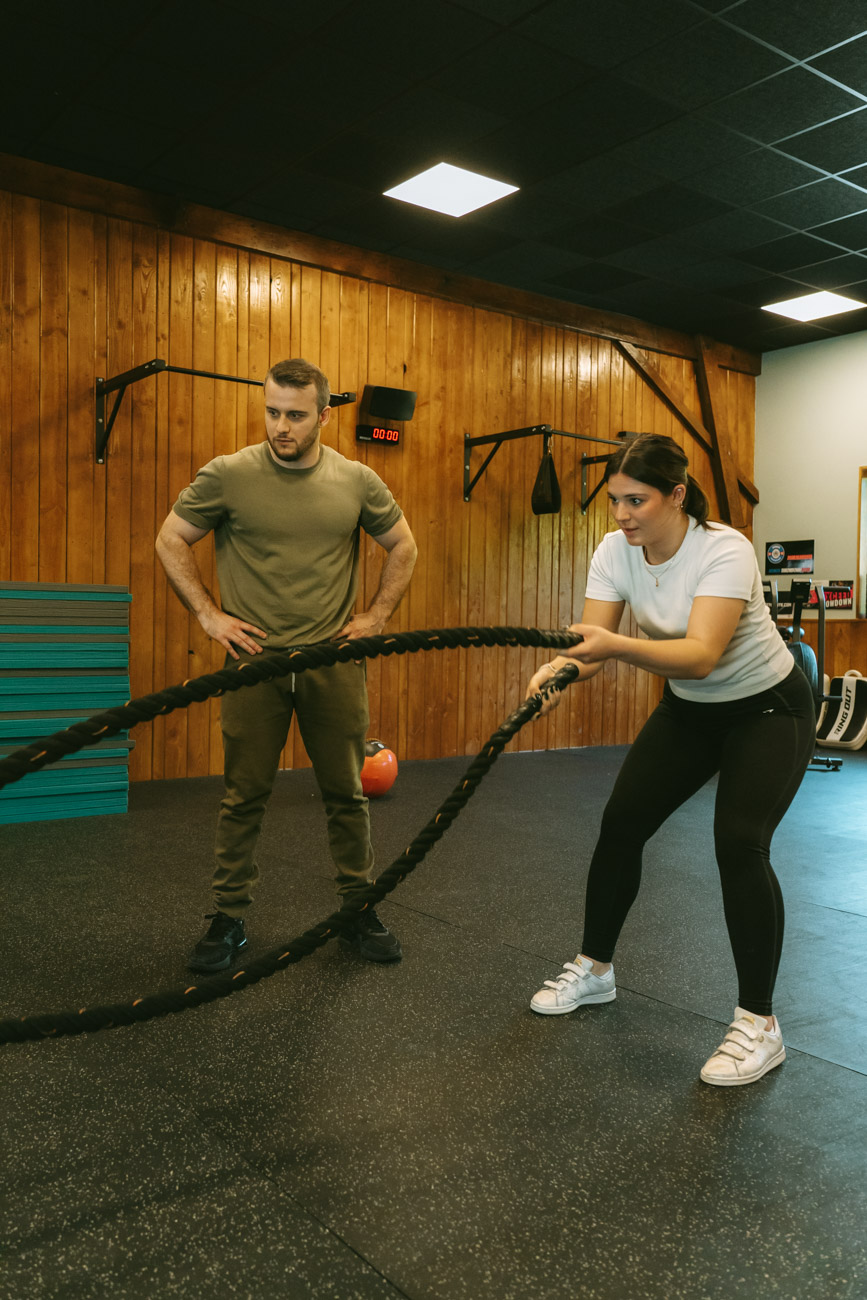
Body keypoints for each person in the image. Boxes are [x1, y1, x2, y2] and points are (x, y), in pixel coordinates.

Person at [525, 433, 814, 1087]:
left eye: (637, 500)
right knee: (621, 823)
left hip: (767, 709)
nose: (622, 514)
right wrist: (560, 671)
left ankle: (759, 1026)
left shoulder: (724, 550)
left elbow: (701, 652)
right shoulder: (613, 551)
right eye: (616, 501)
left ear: (676, 495)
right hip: (690, 711)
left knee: (739, 843)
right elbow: (592, 648)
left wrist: (611, 646)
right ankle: (595, 969)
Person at [156, 358, 417, 973]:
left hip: (333, 661)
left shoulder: (356, 480)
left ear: (324, 415)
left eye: (296, 415)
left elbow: (403, 545)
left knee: (346, 794)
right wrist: (208, 616)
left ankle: (358, 907)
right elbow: (171, 539)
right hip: (254, 663)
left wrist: (375, 617)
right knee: (244, 794)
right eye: (273, 412)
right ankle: (228, 918)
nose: (281, 427)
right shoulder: (228, 475)